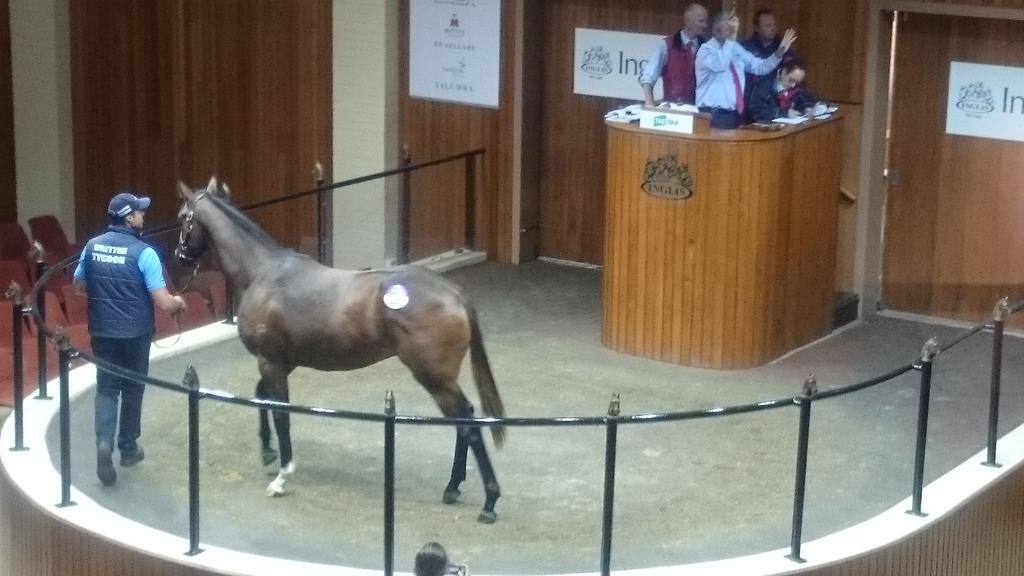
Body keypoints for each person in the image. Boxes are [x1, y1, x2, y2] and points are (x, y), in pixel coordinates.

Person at [73, 191, 186, 487]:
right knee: (133, 389)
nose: (143, 215)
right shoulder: (144, 252)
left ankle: (103, 443)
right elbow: (162, 302)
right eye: (139, 211)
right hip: (135, 334)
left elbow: (78, 286)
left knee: (107, 389)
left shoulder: (91, 246)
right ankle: (128, 448)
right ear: (128, 217)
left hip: (102, 331)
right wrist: (177, 302)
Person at [695, 11, 796, 129]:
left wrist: (780, 52)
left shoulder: (735, 48)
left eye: (733, 30)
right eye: (729, 29)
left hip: (733, 114)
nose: (733, 33)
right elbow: (721, 65)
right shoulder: (705, 50)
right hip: (711, 114)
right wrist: (731, 38)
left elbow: (759, 67)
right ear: (716, 31)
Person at [639, 3, 708, 107]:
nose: (705, 25)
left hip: (698, 112)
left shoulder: (707, 48)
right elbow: (648, 77)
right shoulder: (666, 45)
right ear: (687, 21)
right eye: (701, 21)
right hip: (672, 111)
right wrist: (649, 103)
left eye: (706, 21)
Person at [740, 9, 799, 116]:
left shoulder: (784, 48)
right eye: (768, 25)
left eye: (774, 25)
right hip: (748, 104)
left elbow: (795, 77)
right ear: (757, 28)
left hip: (777, 105)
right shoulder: (746, 48)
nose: (773, 29)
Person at [745, 58, 817, 122]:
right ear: (784, 72)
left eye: (797, 82)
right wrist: (783, 113)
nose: (793, 85)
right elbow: (755, 110)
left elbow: (803, 96)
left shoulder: (796, 84)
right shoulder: (765, 84)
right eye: (791, 80)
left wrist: (807, 107)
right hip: (763, 128)